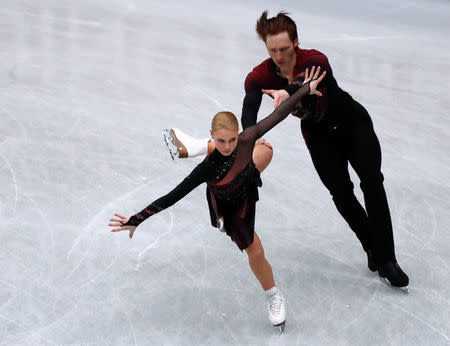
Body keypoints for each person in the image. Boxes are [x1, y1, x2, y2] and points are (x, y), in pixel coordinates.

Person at [163, 11, 409, 290]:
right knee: (340, 192)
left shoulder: (316, 60)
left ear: (295, 42)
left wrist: (287, 95)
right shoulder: (259, 76)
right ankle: (370, 246)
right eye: (272, 50)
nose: (279, 56)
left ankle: (387, 259)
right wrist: (253, 136)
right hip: (319, 138)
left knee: (372, 182)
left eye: (284, 48)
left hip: (353, 126)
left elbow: (300, 84)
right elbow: (249, 110)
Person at [108, 68, 326, 330]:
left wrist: (305, 89)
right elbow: (172, 196)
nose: (226, 145)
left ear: (238, 134)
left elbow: (279, 113)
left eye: (231, 139)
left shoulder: (245, 140)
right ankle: (273, 294)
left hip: (245, 187)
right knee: (254, 250)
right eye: (220, 141)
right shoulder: (206, 169)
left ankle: (273, 295)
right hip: (227, 203)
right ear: (213, 135)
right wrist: (136, 219)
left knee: (265, 149)